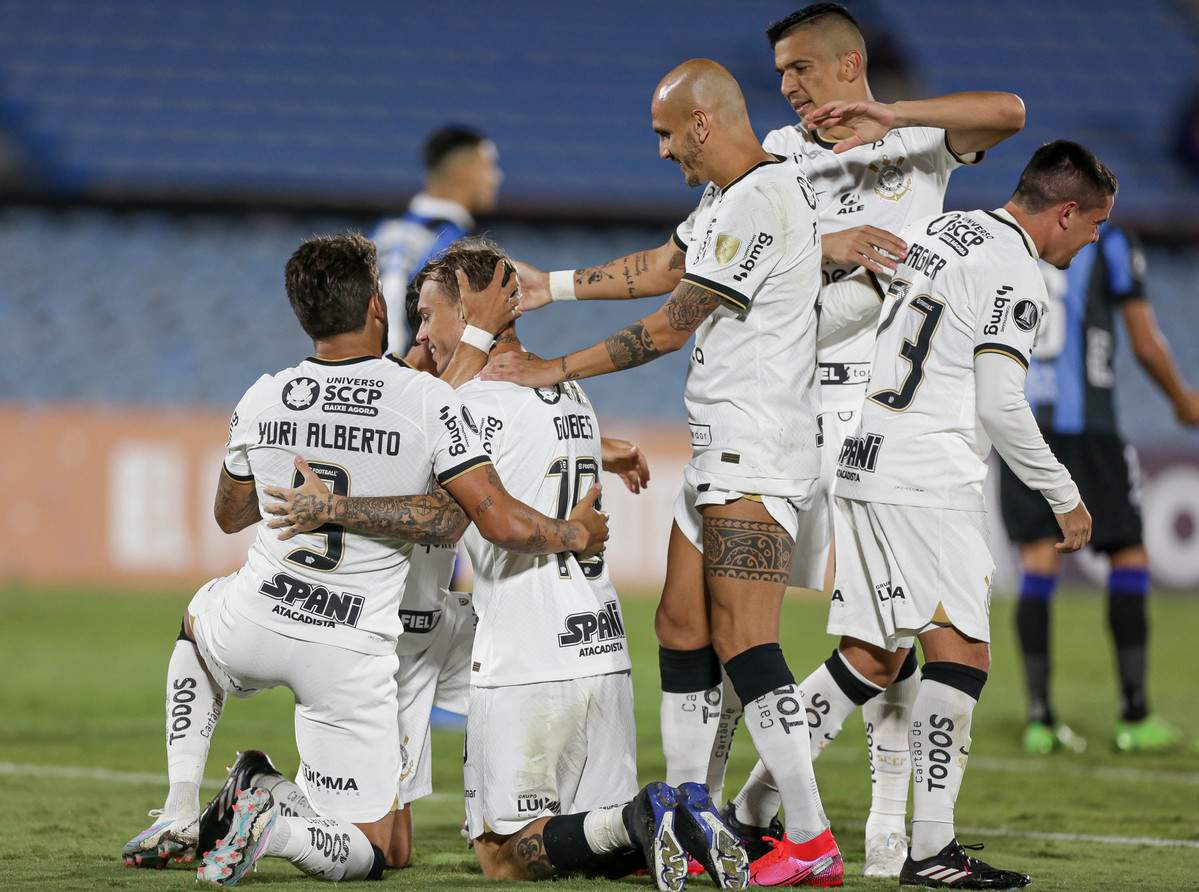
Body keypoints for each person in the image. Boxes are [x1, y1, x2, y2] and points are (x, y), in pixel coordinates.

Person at [513, 3, 1025, 878]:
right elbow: (696, 257)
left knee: (867, 640)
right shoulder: (776, 160)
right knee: (699, 625)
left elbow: (1009, 113)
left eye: (797, 69)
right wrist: (551, 285)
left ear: (848, 63)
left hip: (865, 419)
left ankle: (863, 833)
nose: (785, 87)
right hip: (764, 401)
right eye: (778, 73)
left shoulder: (911, 145)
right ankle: (704, 813)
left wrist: (891, 117)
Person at [121, 232, 609, 886]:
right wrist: (576, 534)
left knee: (197, 623)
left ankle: (184, 809)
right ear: (377, 308)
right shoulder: (423, 400)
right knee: (378, 850)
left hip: (258, 618)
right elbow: (451, 516)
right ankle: (283, 827)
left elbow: (230, 515)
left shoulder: (265, 395)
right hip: (352, 649)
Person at [263, 238, 747, 891]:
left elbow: (441, 503)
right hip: (599, 644)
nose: (423, 333)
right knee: (585, 843)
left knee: (502, 854)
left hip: (522, 655)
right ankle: (680, 822)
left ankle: (642, 816)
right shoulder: (564, 387)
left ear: (471, 309)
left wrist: (333, 506)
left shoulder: (461, 405)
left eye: (431, 315)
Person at [485, 59, 843, 886]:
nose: (658, 152)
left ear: (703, 124)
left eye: (663, 134)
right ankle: (693, 812)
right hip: (719, 448)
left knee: (746, 641)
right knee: (681, 629)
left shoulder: (761, 197)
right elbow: (663, 265)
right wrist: (552, 287)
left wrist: (553, 368)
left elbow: (674, 320)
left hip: (758, 452)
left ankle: (813, 840)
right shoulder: (725, 199)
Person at [822, 140, 1113, 888]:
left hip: (864, 457)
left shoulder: (940, 229)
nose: (1091, 242)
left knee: (872, 658)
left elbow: (849, 315)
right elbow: (998, 402)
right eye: (1092, 226)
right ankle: (931, 851)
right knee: (962, 657)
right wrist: (1063, 492)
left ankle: (753, 812)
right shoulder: (1015, 271)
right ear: (1065, 211)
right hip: (926, 474)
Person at [1001, 224, 1199, 754]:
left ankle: (1040, 719)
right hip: (1090, 430)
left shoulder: (1012, 240)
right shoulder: (1110, 241)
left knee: (1038, 563)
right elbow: (1143, 340)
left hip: (1022, 425)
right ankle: (1134, 714)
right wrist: (1181, 398)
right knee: (1129, 556)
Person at [373, 125, 502, 356]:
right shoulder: (457, 246)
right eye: (490, 166)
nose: (497, 177)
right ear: (465, 171)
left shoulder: (384, 231)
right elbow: (393, 295)